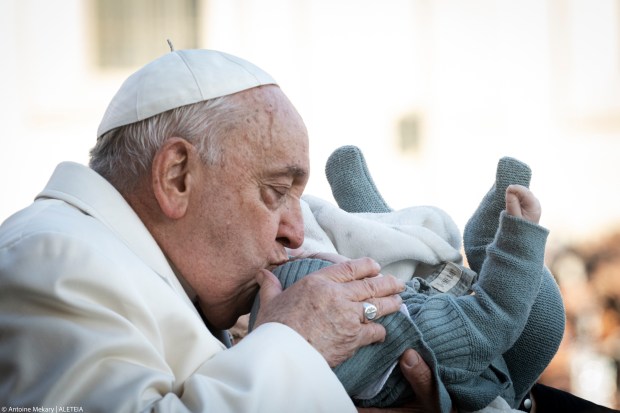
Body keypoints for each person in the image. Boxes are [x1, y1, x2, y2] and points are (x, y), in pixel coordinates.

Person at [0, 48, 449, 412]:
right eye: (276, 191)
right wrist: (295, 343)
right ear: (177, 177)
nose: (295, 232)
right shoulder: (51, 257)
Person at [249, 146, 566, 412]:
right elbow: (495, 315)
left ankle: (373, 221)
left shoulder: (274, 336)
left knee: (392, 258)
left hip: (443, 328)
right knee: (544, 323)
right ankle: (482, 242)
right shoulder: (421, 340)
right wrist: (520, 238)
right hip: (479, 379)